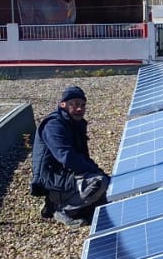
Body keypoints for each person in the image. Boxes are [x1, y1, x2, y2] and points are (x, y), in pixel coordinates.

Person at [30, 85, 109, 227]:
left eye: (83, 105)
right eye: (75, 104)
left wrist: (96, 169)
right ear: (63, 105)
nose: (79, 109)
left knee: (103, 189)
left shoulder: (74, 124)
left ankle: (72, 203)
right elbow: (67, 157)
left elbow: (81, 156)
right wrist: (96, 173)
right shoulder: (54, 126)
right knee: (98, 182)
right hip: (51, 178)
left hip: (65, 174)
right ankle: (60, 208)